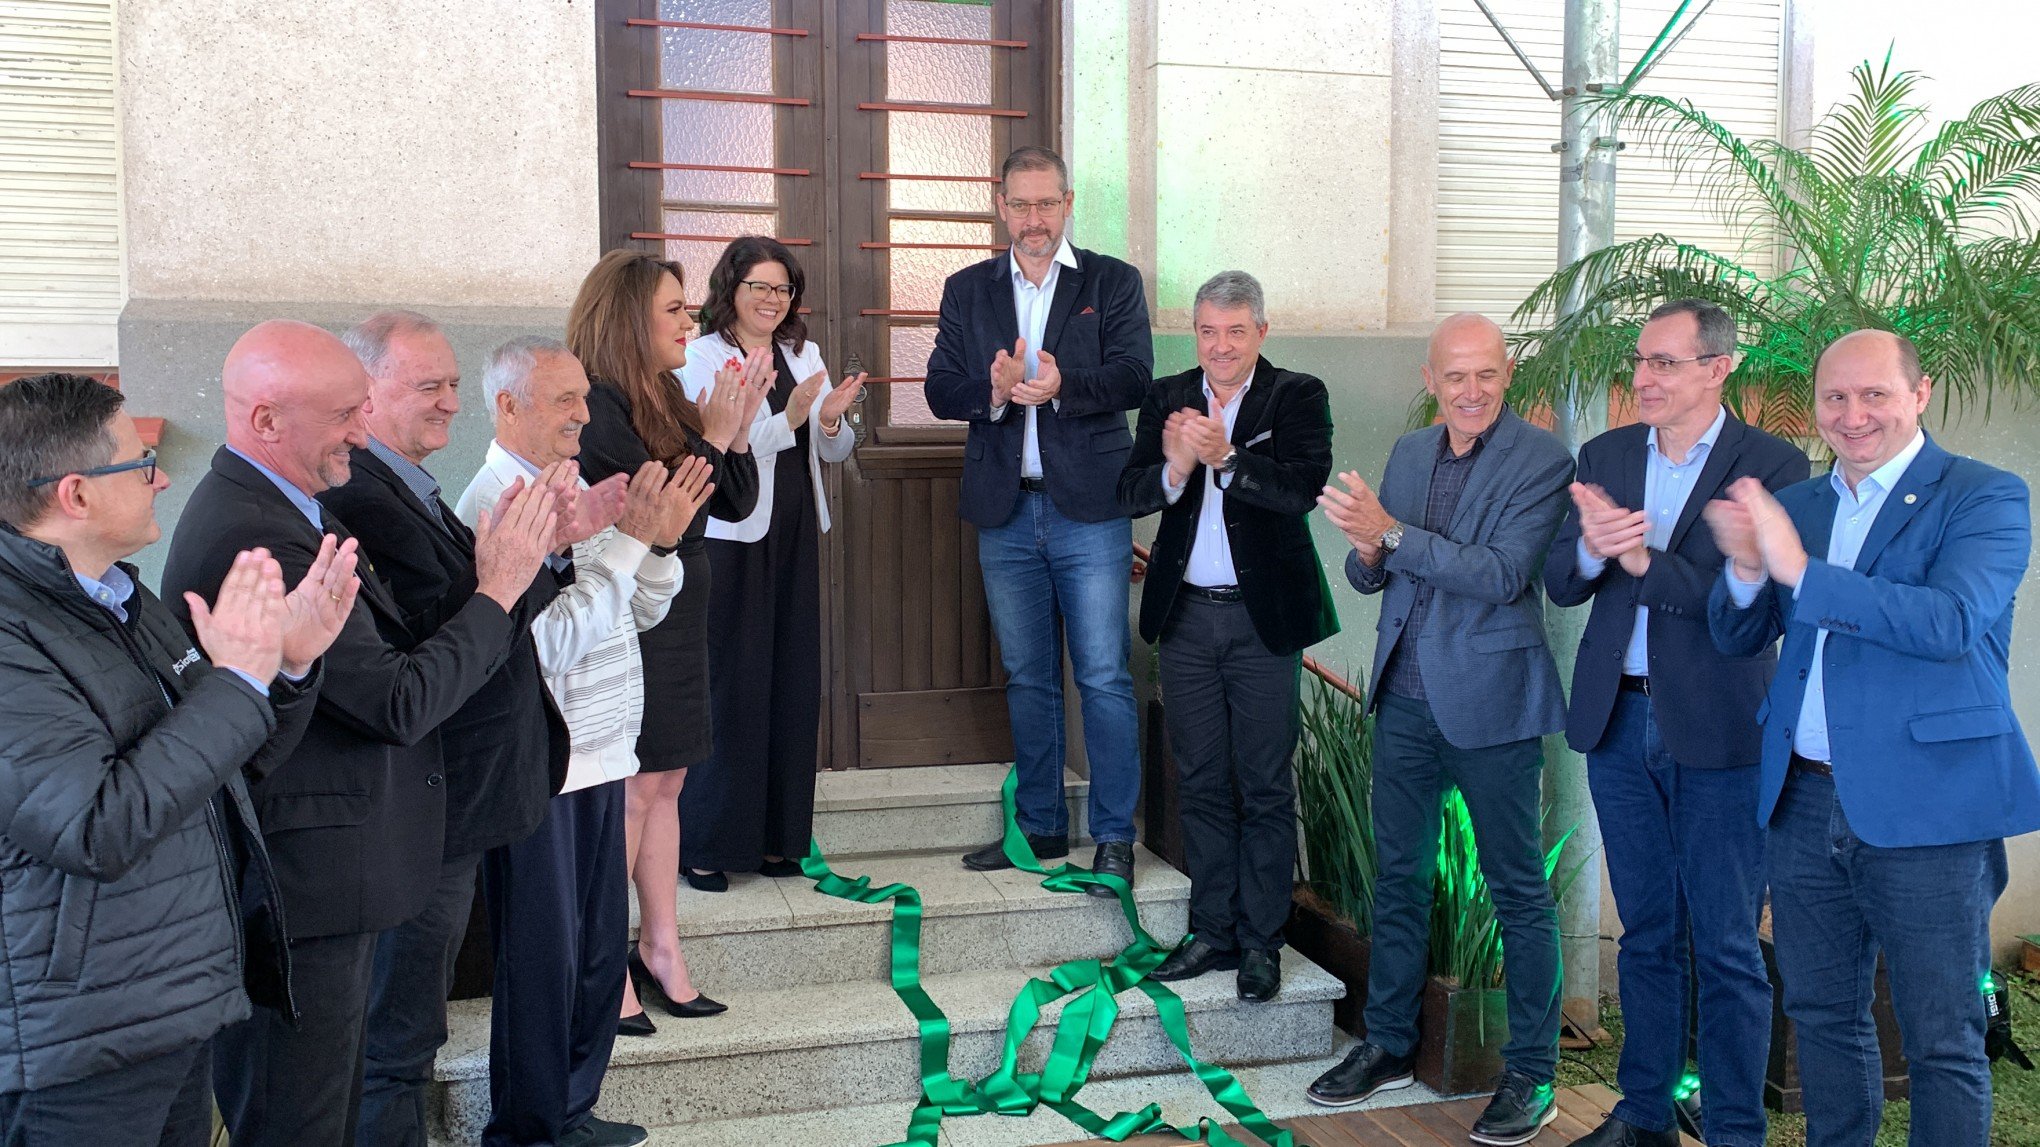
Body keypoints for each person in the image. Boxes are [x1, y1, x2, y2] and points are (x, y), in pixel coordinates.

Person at [159, 320, 560, 1147]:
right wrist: (496, 593)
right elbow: (398, 700)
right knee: (298, 1120)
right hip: (303, 886)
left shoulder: (290, 504)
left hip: (332, 875)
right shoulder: (260, 530)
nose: (359, 427)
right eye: (345, 411)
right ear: (267, 421)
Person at [1706, 329, 2040, 1147]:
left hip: (1929, 809)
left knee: (1941, 1034)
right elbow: (1734, 633)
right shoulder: (1804, 506)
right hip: (1805, 796)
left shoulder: (1984, 495)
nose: (1853, 415)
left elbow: (1951, 621)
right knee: (1820, 1015)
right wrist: (1749, 569)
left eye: (1875, 394)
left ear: (1919, 394)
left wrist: (1800, 571)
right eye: (1835, 398)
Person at [0, 372, 352, 1146]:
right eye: (139, 460)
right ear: (76, 494)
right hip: (82, 1038)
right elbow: (96, 826)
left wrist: (283, 669)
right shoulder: (13, 633)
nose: (160, 476)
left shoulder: (119, 597)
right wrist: (238, 681)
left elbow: (218, 768)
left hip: (168, 1003)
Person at [318, 310, 622, 1147]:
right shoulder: (360, 497)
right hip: (431, 795)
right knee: (396, 1039)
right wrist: (520, 571)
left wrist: (557, 550)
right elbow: (451, 629)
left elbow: (493, 607)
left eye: (453, 383)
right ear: (365, 393)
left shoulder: (406, 484)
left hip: (469, 790)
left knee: (410, 1031)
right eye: (430, 386)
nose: (451, 402)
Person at [1542, 298, 1809, 1147]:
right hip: (1618, 724)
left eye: (1664, 362)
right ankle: (1643, 1111)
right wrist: (1592, 547)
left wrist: (1640, 560)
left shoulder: (1771, 465)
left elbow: (1755, 613)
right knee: (1648, 932)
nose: (1644, 377)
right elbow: (1561, 578)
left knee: (1727, 943)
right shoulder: (1608, 453)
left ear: (1717, 367)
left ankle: (1734, 1128)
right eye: (1641, 360)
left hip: (1721, 731)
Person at [1308, 313, 1574, 1146]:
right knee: (1399, 877)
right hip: (1407, 703)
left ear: (1508, 375)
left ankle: (1531, 1073)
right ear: (1431, 379)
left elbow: (1500, 575)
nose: (1470, 391)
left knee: (1518, 892)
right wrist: (1364, 544)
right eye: (1454, 376)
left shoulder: (1542, 460)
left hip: (1492, 706)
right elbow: (1371, 573)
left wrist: (1390, 533)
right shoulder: (1412, 452)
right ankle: (1387, 1041)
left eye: (1485, 375)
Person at [459, 336, 712, 1147]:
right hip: (544, 765)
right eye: (563, 399)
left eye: (583, 397)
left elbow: (635, 611)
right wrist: (631, 542)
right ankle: (531, 1127)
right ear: (507, 407)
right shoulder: (495, 506)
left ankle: (572, 1107)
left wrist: (657, 541)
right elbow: (542, 647)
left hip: (607, 751)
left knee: (598, 952)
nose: (583, 414)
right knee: (544, 961)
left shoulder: (567, 488)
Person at [924, 144, 1154, 890]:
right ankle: (1041, 826)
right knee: (1028, 676)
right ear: (1000, 206)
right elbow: (937, 386)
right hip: (1006, 510)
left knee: (1103, 675)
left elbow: (1134, 375)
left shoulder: (1112, 282)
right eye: (1019, 205)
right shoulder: (966, 290)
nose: (1033, 220)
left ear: (1067, 202)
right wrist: (990, 392)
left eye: (1046, 204)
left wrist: (1061, 385)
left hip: (1089, 512)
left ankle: (1115, 834)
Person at [1117, 270, 1337, 1002]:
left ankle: (1261, 941)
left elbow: (1300, 488)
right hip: (1185, 618)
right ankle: (1211, 928)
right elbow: (1131, 489)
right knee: (1202, 779)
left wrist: (1227, 459)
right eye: (1208, 331)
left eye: (1236, 332)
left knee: (1266, 784)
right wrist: (1177, 467)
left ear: (1261, 333)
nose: (1220, 346)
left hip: (1261, 618)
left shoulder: (1297, 394)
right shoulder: (1167, 395)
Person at [568, 249, 762, 1023]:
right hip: (630, 614)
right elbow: (666, 511)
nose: (692, 321)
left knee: (669, 781)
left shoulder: (670, 393)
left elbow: (733, 499)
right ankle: (603, 957)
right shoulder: (600, 403)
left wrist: (733, 430)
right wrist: (713, 438)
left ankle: (662, 945)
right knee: (632, 789)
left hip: (682, 615)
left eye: (688, 308)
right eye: (674, 310)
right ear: (627, 320)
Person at [677, 237, 866, 888]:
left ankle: (779, 841)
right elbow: (715, 444)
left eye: (782, 288)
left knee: (789, 682)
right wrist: (786, 418)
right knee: (732, 687)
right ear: (729, 288)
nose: (770, 299)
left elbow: (831, 452)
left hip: (793, 531)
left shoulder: (801, 353)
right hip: (730, 539)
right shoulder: (700, 358)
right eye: (758, 286)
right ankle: (707, 843)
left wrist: (834, 423)